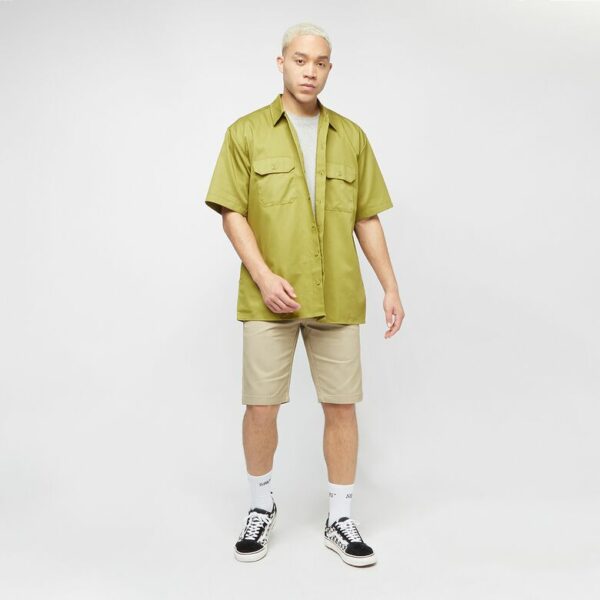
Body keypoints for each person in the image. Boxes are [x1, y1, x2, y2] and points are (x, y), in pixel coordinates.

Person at [204, 22, 404, 567]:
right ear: (281, 63)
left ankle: (340, 517)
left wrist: (390, 285)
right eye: (299, 60)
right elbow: (231, 212)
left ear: (329, 69)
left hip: (337, 293)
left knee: (342, 407)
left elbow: (367, 217)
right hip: (268, 297)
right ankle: (260, 505)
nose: (309, 71)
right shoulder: (246, 132)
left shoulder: (351, 137)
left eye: (319, 62)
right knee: (260, 407)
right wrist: (264, 277)